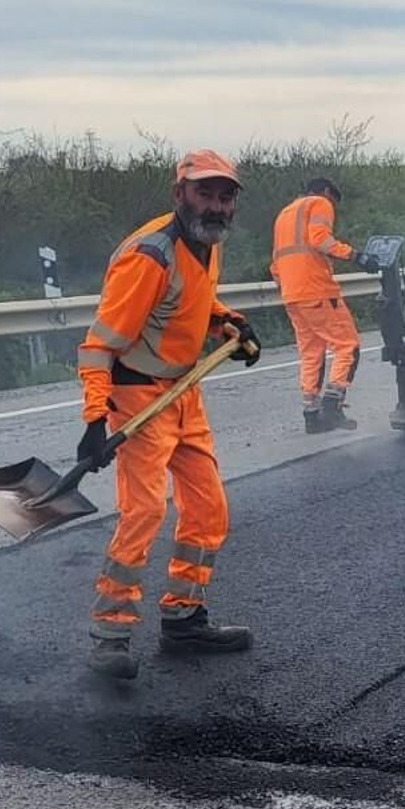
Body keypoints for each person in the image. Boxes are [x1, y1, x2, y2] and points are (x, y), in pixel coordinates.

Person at [76, 149, 262, 679]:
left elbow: (191, 304)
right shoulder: (149, 257)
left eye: (225, 197)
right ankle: (109, 634)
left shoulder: (206, 242)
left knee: (208, 506)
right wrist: (94, 420)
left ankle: (184, 620)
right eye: (205, 193)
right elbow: (98, 346)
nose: (217, 205)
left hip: (183, 389)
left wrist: (228, 324)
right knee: (144, 512)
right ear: (179, 193)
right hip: (138, 394)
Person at [270, 177, 378, 433]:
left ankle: (312, 415)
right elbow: (320, 239)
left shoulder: (285, 214)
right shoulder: (319, 203)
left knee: (311, 353)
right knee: (347, 345)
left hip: (291, 293)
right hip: (316, 290)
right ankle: (333, 406)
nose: (333, 209)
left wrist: (287, 286)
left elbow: (276, 261)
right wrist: (356, 256)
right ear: (327, 192)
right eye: (334, 202)